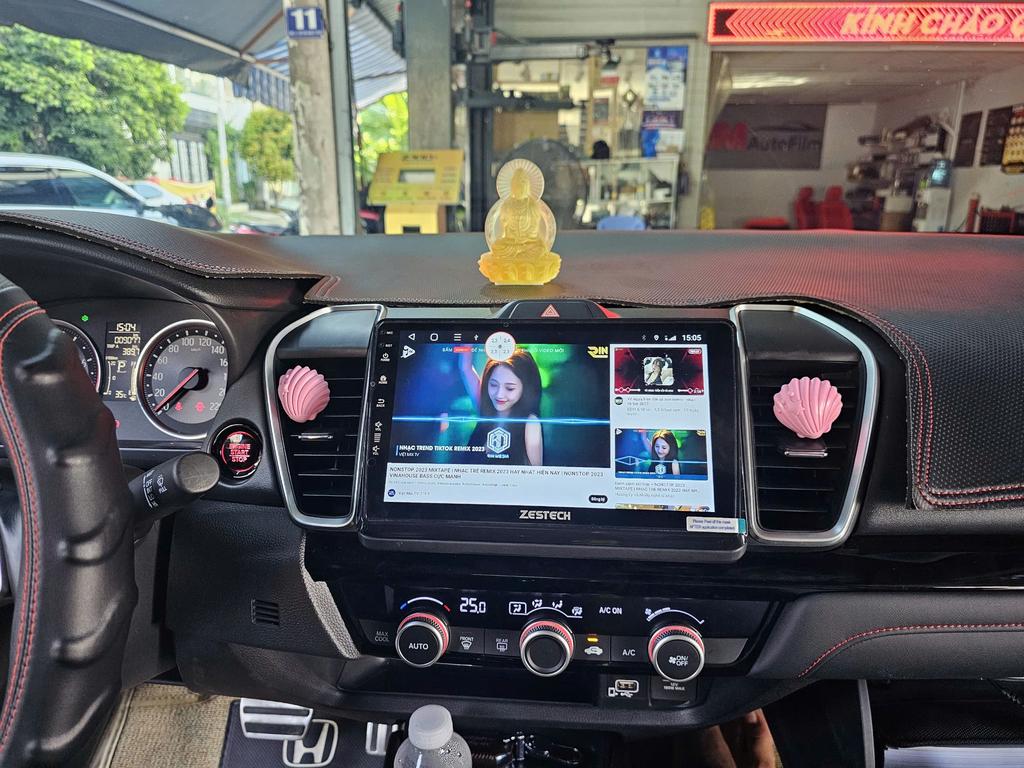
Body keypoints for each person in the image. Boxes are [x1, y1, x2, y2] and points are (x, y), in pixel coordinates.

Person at [458, 349, 544, 466]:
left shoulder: (530, 422)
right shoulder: (486, 408)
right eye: (493, 385)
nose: (499, 395)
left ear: (525, 388)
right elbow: (465, 367)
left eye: (510, 388)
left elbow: (536, 471)